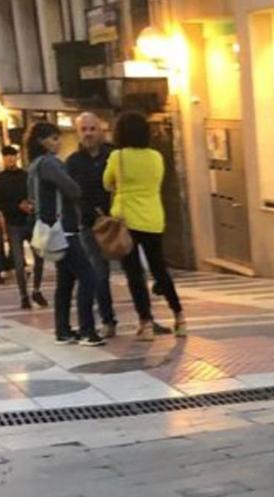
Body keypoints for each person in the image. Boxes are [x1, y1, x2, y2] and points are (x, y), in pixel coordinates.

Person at [104, 111, 185, 341]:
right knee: (159, 269)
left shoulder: (117, 156)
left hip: (127, 221)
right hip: (153, 218)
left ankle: (146, 323)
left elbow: (106, 182)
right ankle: (179, 317)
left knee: (135, 274)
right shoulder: (156, 157)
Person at [26, 122, 103, 346]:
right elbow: (73, 189)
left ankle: (63, 330)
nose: (58, 142)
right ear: (42, 141)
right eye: (53, 138)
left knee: (66, 281)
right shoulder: (50, 163)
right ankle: (88, 330)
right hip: (64, 230)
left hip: (50, 229)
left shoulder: (35, 165)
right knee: (89, 277)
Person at [66, 112, 118, 337]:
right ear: (78, 132)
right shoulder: (73, 162)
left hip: (119, 221)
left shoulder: (114, 154)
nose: (88, 133)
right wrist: (91, 213)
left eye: (92, 128)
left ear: (101, 130)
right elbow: (74, 194)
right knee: (99, 273)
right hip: (90, 225)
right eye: (84, 129)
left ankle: (146, 318)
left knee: (135, 269)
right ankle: (108, 320)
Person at [0, 145, 47, 310]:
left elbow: (34, 194)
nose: (10, 159)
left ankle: (36, 289)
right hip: (13, 224)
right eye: (7, 156)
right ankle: (24, 295)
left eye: (13, 156)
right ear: (3, 158)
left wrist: (31, 205)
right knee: (18, 261)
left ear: (17, 157)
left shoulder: (26, 175)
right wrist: (17, 206)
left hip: (30, 221)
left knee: (40, 256)